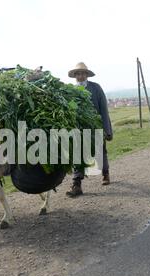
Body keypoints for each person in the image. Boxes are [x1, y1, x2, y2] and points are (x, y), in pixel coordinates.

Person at [66, 62, 113, 198]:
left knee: (101, 151)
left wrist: (107, 129)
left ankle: (105, 173)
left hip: (96, 126)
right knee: (78, 154)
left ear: (87, 75)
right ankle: (77, 184)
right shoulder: (71, 91)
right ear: (75, 76)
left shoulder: (96, 88)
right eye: (78, 74)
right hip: (79, 129)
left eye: (83, 73)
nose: (80, 76)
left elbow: (103, 109)